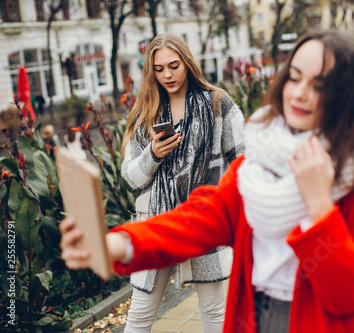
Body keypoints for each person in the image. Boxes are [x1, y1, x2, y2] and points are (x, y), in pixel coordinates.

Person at [60, 29, 354, 333]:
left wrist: (319, 209)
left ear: (350, 96)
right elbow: (200, 218)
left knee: (211, 307)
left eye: (318, 86)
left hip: (325, 325)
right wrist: (115, 246)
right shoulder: (260, 162)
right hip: (255, 317)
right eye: (294, 76)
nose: (299, 93)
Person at [119, 33, 244, 333]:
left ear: (187, 62)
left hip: (204, 221)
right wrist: (153, 154)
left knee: (214, 312)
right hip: (157, 222)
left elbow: (243, 161)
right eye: (159, 69)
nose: (167, 75)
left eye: (174, 66)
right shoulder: (146, 111)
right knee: (139, 314)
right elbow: (131, 177)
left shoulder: (217, 103)